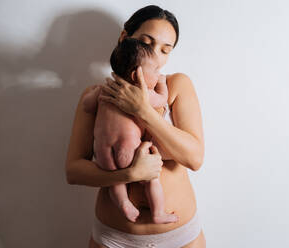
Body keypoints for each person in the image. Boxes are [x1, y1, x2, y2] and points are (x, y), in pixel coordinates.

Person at [65, 5, 206, 248]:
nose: (155, 55)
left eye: (165, 50)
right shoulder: (99, 95)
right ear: (124, 39)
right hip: (114, 238)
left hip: (179, 239)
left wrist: (142, 110)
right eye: (146, 42)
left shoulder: (175, 86)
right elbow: (74, 171)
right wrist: (128, 175)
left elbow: (194, 158)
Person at [82, 37, 178, 224]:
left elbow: (87, 105)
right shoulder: (140, 92)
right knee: (151, 178)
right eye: (156, 70)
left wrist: (96, 91)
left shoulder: (106, 89)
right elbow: (161, 100)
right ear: (136, 76)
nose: (159, 73)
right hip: (130, 150)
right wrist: (162, 84)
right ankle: (158, 212)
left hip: (102, 153)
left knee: (114, 181)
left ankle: (124, 203)